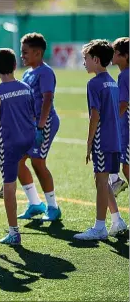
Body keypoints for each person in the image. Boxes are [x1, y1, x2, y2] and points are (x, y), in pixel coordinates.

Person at [0, 48, 38, 245]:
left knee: (9, 185)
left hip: (10, 143)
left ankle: (14, 233)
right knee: (22, 162)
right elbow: (33, 114)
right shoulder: (25, 87)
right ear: (15, 66)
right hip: (29, 139)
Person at [74, 39, 128, 241]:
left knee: (101, 181)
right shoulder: (112, 82)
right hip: (115, 140)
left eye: (85, 59)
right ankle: (117, 220)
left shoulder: (94, 83)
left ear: (96, 59)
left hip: (102, 141)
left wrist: (89, 143)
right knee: (102, 180)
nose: (84, 63)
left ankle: (99, 227)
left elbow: (94, 115)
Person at [14, 33, 61, 222]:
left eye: (25, 52)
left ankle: (53, 207)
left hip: (45, 122)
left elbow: (47, 99)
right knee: (17, 161)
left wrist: (40, 127)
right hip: (31, 124)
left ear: (38, 53)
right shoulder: (27, 73)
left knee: (38, 162)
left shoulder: (45, 72)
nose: (22, 55)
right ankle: (34, 204)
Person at [109, 37, 129, 197]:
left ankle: (116, 182)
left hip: (127, 129)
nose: (112, 56)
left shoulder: (124, 76)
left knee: (126, 166)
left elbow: (123, 104)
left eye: (115, 53)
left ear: (125, 56)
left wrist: (112, 120)